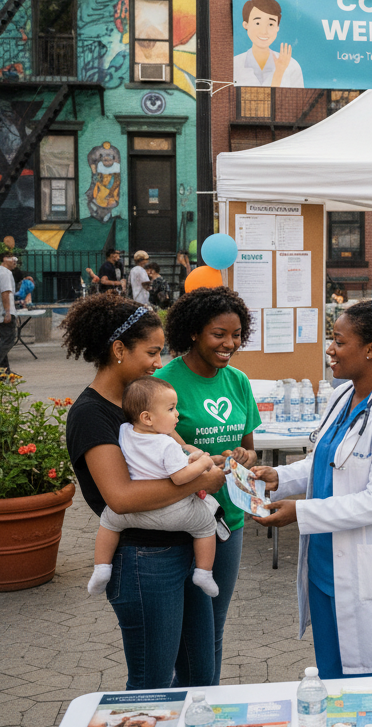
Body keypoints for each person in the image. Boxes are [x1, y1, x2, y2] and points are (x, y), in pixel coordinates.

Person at [251, 302, 372, 677]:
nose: (330, 349)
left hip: (368, 570)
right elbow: (325, 461)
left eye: (339, 341)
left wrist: (299, 513)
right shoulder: (341, 397)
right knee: (332, 679)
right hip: (325, 566)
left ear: (371, 349)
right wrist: (279, 477)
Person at [64, 294, 226, 689]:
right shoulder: (91, 414)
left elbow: (178, 454)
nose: (159, 362)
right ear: (119, 349)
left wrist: (205, 461)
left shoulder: (141, 404)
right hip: (142, 561)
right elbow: (120, 498)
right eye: (152, 352)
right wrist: (200, 480)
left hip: (183, 549)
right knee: (152, 685)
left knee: (200, 677)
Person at [153, 287, 261, 684]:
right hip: (178, 524)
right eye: (219, 334)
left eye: (235, 335)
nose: (229, 344)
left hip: (227, 523)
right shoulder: (163, 385)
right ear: (194, 333)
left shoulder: (237, 382)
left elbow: (248, 450)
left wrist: (246, 458)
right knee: (177, 636)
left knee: (212, 628)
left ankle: (205, 705)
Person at [87, 377, 219, 598]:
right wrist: (205, 463)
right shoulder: (166, 443)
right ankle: (204, 573)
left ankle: (101, 568)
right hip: (170, 511)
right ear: (147, 418)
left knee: (108, 522)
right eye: (171, 409)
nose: (177, 414)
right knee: (206, 525)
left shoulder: (124, 431)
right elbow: (179, 478)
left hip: (130, 513)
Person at [233, 0, 304, 88]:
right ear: (246, 25)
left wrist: (280, 70)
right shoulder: (234, 64)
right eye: (257, 23)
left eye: (271, 24)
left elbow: (296, 98)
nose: (264, 31)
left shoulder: (292, 65)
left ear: (277, 28)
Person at [0, 251, 17, 373]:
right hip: (4, 313)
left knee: (3, 341)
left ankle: (5, 373)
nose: (15, 261)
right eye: (12, 258)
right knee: (8, 340)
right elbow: (5, 293)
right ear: (4, 259)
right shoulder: (5, 273)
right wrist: (7, 312)